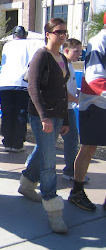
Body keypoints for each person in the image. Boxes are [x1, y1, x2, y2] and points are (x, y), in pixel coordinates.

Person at [18, 18, 70, 233]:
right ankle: (53, 209)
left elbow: (62, 91)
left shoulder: (62, 58)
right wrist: (44, 117)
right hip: (43, 116)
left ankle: (27, 184)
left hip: (58, 115)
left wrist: (65, 119)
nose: (62, 35)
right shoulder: (41, 55)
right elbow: (33, 88)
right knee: (50, 162)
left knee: (43, 151)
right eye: (58, 31)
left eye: (65, 32)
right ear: (48, 34)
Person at [68, 12, 106, 212]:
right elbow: (94, 79)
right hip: (94, 104)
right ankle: (76, 191)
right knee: (88, 148)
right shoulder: (98, 42)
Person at [0, 26, 44, 152]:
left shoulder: (7, 45)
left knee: (7, 114)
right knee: (20, 114)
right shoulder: (31, 44)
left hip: (5, 82)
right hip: (21, 83)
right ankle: (17, 143)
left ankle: (8, 141)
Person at [60, 39, 88, 182]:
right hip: (64, 107)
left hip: (67, 107)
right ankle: (70, 170)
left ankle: (31, 167)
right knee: (71, 140)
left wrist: (77, 93)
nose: (79, 54)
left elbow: (68, 88)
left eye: (80, 51)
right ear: (66, 50)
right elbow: (63, 90)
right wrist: (79, 100)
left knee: (51, 140)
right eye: (76, 51)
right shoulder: (63, 64)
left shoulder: (69, 64)